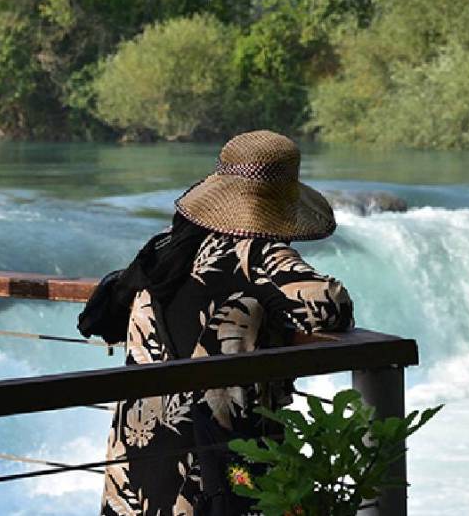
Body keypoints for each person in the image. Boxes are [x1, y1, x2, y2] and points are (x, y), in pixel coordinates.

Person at [80, 130, 354, 515]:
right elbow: (329, 306)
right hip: (211, 461)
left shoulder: (169, 246)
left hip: (137, 451)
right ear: (281, 202)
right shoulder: (255, 253)